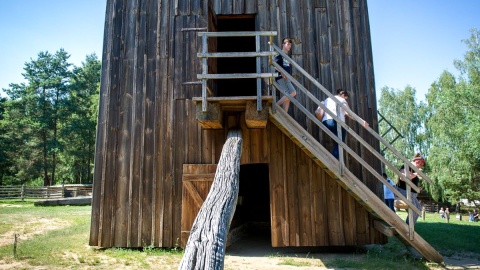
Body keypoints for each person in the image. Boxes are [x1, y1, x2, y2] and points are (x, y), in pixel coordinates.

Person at [315, 89, 368, 159]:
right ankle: (335, 161)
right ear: (342, 94)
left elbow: (319, 112)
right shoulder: (341, 100)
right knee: (339, 144)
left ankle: (333, 159)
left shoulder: (327, 100)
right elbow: (349, 113)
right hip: (337, 122)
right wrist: (361, 121)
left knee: (336, 142)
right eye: (345, 98)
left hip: (326, 122)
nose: (345, 99)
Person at [396, 153, 426, 225]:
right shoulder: (406, 166)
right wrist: (416, 174)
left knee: (418, 209)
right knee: (414, 210)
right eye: (421, 164)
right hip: (404, 191)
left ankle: (409, 226)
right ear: (417, 161)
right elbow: (403, 177)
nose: (421, 166)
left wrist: (417, 176)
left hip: (412, 194)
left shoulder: (414, 170)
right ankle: (408, 227)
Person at [275, 38, 297, 112]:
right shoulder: (280, 54)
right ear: (283, 45)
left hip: (286, 77)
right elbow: (273, 65)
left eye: (290, 45)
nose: (289, 46)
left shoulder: (287, 57)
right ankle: (275, 105)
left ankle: (285, 114)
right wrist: (281, 71)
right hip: (281, 77)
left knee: (288, 96)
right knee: (293, 93)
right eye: (287, 44)